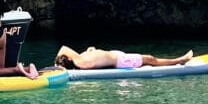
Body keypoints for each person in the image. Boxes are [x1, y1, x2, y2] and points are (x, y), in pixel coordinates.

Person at [54, 44, 194, 70]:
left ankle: (178, 60)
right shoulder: (80, 60)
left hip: (118, 57)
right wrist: (56, 64)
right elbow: (63, 48)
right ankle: (181, 60)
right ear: (70, 59)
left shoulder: (81, 61)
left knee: (149, 62)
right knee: (151, 59)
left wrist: (91, 50)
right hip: (121, 61)